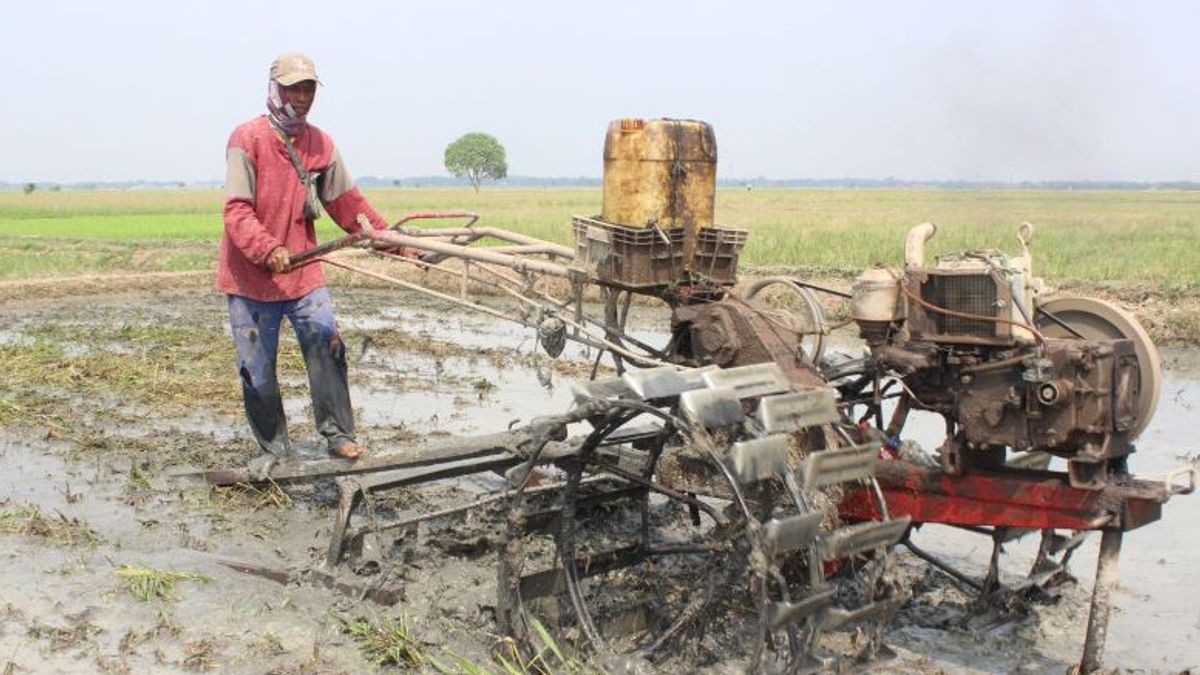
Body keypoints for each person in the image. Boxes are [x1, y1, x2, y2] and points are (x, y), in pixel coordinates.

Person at [216, 52, 404, 472]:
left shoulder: (321, 143)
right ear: (274, 89)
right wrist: (268, 249)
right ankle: (272, 448)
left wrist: (393, 241)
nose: (302, 98)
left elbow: (348, 204)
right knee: (256, 368)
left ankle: (338, 435)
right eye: (293, 88)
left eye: (308, 89)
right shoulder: (246, 140)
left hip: (303, 274)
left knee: (328, 346)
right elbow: (237, 212)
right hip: (251, 278)